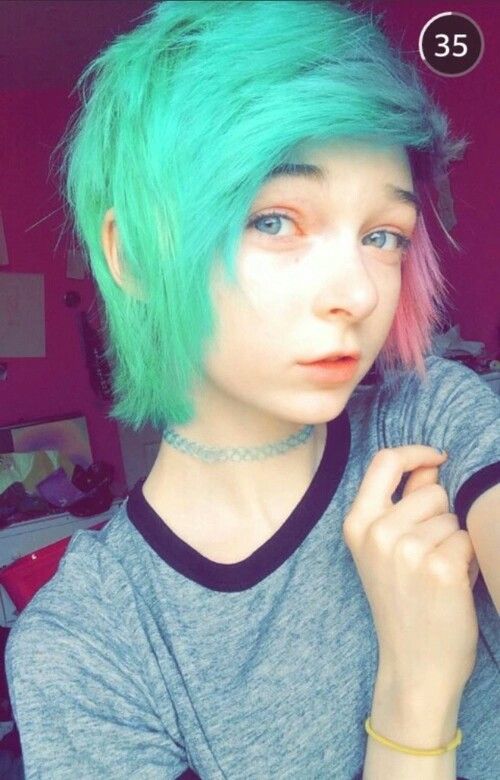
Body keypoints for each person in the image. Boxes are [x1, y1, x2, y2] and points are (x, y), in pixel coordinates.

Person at [4, 1, 500, 778]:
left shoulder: (430, 416)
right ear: (134, 255)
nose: (359, 293)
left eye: (383, 236)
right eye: (274, 220)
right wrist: (415, 695)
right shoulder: (89, 648)